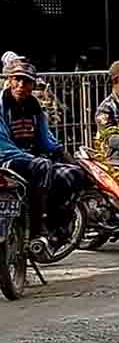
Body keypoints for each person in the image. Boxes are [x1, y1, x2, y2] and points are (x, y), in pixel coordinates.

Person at [0, 59, 85, 253]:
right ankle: (39, 228)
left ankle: (57, 227)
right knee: (43, 166)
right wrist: (32, 158)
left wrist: (67, 157)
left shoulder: (34, 107)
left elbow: (46, 140)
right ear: (10, 80)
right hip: (6, 159)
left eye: (26, 81)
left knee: (75, 174)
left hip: (32, 159)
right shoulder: (1, 104)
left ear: (33, 85)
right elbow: (2, 143)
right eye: (17, 80)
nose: (21, 85)